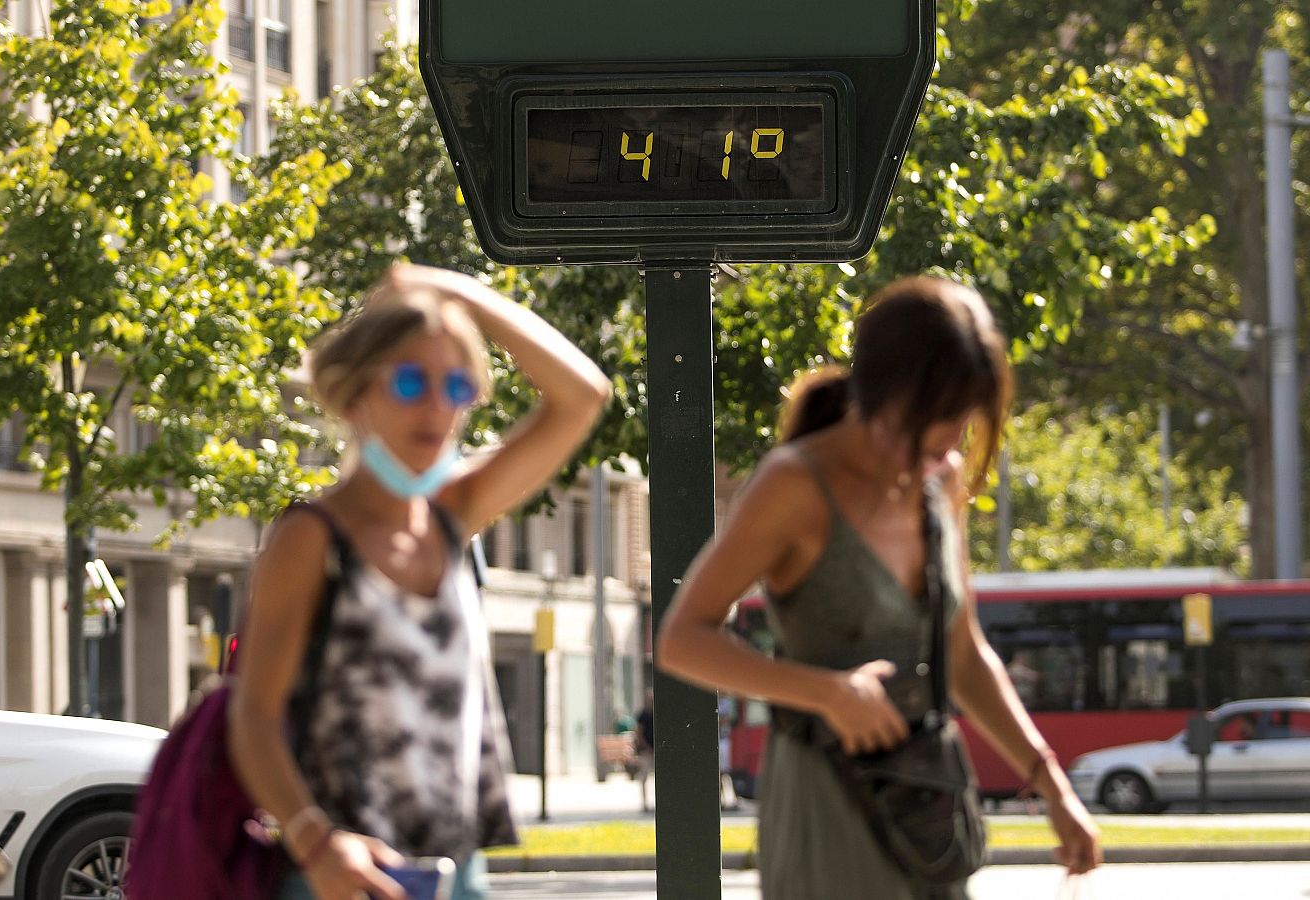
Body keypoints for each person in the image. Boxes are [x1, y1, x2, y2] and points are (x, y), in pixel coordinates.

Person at [656, 278, 1101, 899]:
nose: (952, 438)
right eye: (940, 416)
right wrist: (827, 693)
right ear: (886, 394)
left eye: (964, 416)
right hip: (826, 813)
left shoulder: (940, 483)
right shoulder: (794, 484)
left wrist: (1053, 786)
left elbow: (963, 654)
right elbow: (681, 640)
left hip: (927, 807)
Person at [228, 264, 610, 900]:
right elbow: (252, 715)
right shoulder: (310, 539)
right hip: (344, 875)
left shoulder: (451, 515)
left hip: (455, 874)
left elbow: (583, 395)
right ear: (357, 396)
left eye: (456, 385)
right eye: (409, 381)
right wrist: (316, 843)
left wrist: (460, 293)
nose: (436, 406)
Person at [635, 690, 655, 813]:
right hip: (646, 751)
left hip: (655, 750)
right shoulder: (643, 715)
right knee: (644, 776)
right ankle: (645, 803)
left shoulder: (657, 714)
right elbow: (639, 733)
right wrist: (647, 748)